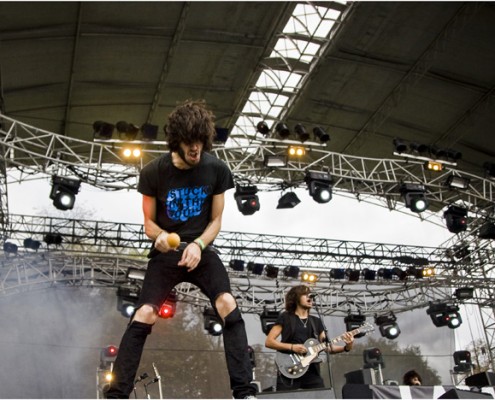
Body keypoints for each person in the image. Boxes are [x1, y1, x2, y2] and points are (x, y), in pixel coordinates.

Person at [106, 100, 257, 399]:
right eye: (189, 142)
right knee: (145, 313)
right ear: (176, 140)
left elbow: (216, 221)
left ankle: (244, 392)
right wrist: (160, 236)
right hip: (165, 256)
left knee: (227, 303)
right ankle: (116, 394)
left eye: (200, 141)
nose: (195, 149)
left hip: (202, 251)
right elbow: (149, 223)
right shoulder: (153, 172)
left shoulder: (216, 170)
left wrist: (200, 245)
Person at [265, 285, 355, 391]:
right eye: (305, 294)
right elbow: (269, 342)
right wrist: (292, 347)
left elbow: (327, 347)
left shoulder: (316, 321)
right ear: (296, 298)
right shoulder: (285, 317)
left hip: (312, 371)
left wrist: (347, 346)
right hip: (289, 368)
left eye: (310, 295)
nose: (310, 297)